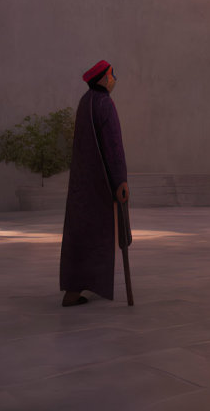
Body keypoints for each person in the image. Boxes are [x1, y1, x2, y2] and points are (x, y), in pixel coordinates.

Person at [59, 60, 130, 307]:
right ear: (103, 78)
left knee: (81, 234)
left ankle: (73, 290)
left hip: (82, 183)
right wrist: (120, 180)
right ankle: (89, 285)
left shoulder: (85, 101)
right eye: (112, 75)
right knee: (98, 235)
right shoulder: (104, 104)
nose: (114, 79)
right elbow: (113, 146)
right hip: (99, 183)